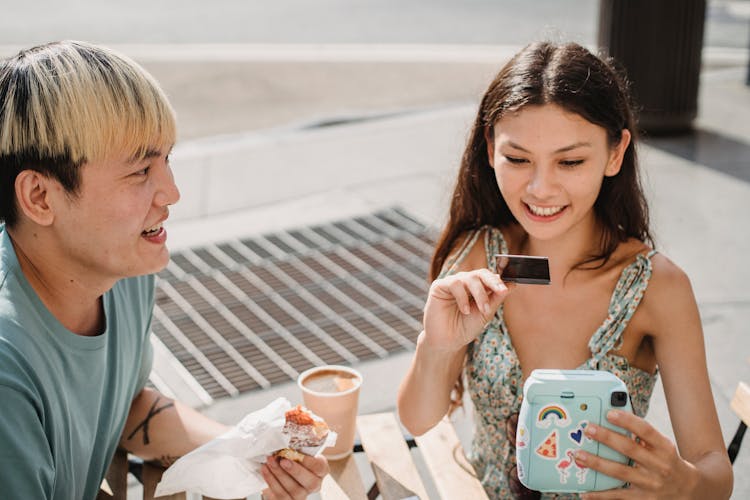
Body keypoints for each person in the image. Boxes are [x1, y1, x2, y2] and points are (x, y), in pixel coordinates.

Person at [397, 41, 733, 499]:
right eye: (517, 159)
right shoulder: (478, 252)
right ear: (491, 149)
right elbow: (417, 420)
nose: (540, 188)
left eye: (570, 161)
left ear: (616, 154)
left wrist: (682, 482)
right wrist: (436, 346)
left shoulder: (657, 287)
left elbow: (715, 475)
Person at [0, 41, 328, 499]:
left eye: (166, 159)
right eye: (139, 171)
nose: (171, 192)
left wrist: (250, 452)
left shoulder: (122, 272)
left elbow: (127, 406)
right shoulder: (7, 374)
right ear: (39, 197)